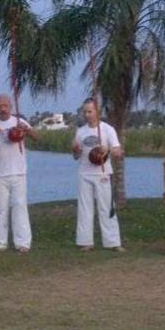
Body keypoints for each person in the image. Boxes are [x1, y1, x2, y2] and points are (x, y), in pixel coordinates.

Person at [0, 94, 39, 252]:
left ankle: (23, 243)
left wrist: (26, 129)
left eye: (5, 105)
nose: (3, 108)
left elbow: (37, 137)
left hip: (19, 172)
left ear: (11, 106)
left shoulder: (18, 122)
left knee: (20, 206)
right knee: (0, 208)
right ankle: (0, 242)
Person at [73, 97, 124, 252]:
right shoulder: (80, 132)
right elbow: (76, 156)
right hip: (85, 173)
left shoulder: (107, 129)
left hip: (102, 173)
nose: (87, 114)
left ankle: (113, 242)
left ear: (97, 111)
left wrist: (107, 149)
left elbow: (118, 151)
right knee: (85, 207)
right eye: (85, 112)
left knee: (106, 208)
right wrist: (75, 149)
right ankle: (86, 241)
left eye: (90, 111)